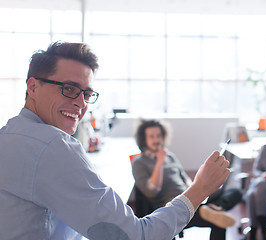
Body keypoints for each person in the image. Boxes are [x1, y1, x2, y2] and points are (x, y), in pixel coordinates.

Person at [0, 41, 230, 240]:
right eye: (69, 88)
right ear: (33, 87)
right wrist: (200, 189)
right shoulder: (53, 146)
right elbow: (137, 236)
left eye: (87, 94)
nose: (81, 103)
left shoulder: (8, 134)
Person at [132, 119, 238, 240]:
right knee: (220, 220)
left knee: (234, 192)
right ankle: (208, 209)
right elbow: (152, 191)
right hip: (174, 206)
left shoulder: (170, 156)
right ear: (144, 139)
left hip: (189, 196)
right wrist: (159, 162)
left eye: (159, 136)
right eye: (151, 136)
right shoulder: (139, 163)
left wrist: (195, 187)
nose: (156, 140)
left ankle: (213, 208)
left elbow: (184, 177)